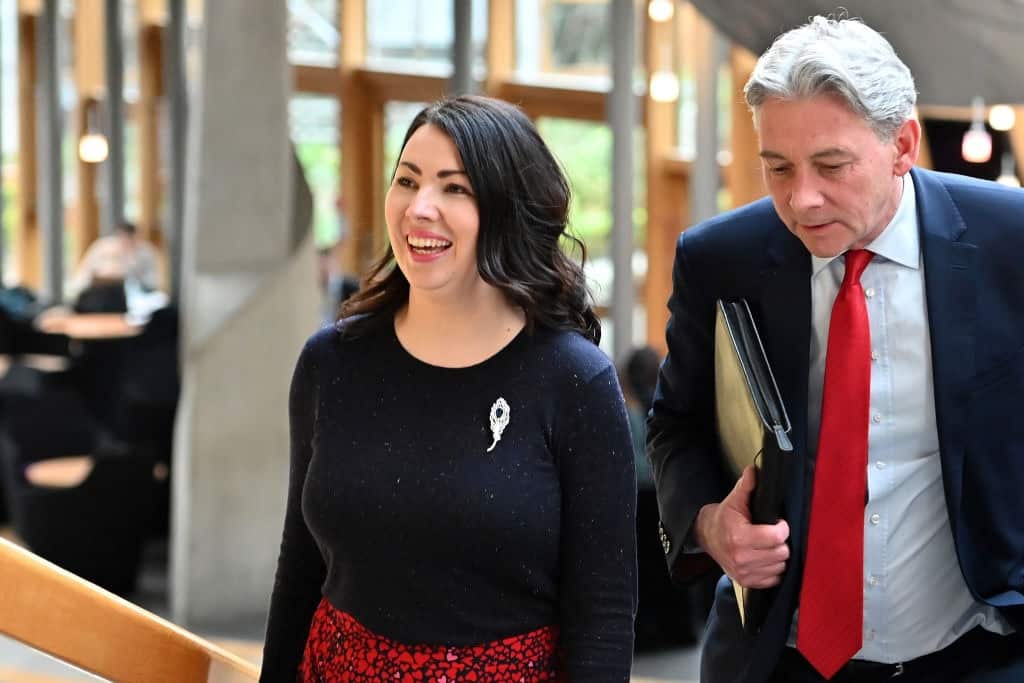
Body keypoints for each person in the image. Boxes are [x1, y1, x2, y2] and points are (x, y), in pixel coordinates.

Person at [648, 16, 1024, 683]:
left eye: (831, 165)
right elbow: (676, 424)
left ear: (902, 144)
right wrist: (709, 524)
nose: (802, 198)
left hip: (976, 653)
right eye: (778, 168)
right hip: (777, 657)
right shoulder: (719, 259)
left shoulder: (1008, 241)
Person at [261, 95, 637, 682]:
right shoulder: (332, 362)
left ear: (508, 209)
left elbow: (604, 616)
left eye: (454, 188)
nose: (419, 208)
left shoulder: (575, 381)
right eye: (406, 181)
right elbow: (300, 570)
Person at [70, 222, 161, 295]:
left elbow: (151, 279)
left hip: (132, 293)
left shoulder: (145, 251)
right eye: (122, 238)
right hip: (100, 292)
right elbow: (86, 271)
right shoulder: (103, 247)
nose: (124, 242)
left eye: (128, 239)